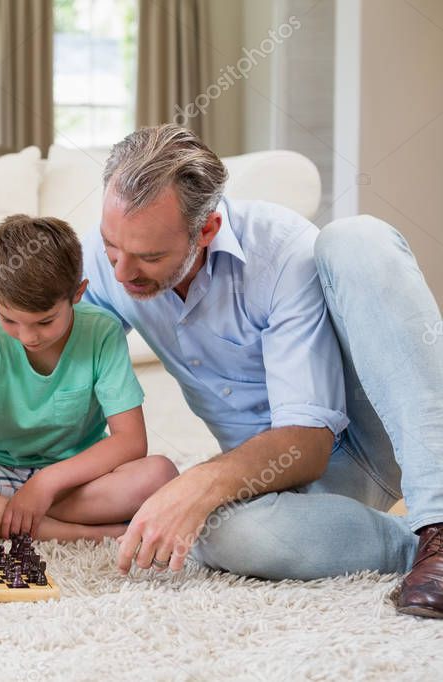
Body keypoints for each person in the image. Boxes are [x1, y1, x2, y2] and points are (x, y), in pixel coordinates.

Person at [82, 124, 443, 618]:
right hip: (276, 480)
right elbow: (61, 368)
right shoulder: (114, 259)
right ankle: (409, 547)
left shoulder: (280, 252)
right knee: (214, 533)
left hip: (356, 438)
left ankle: (440, 525)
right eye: (111, 247)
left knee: (358, 237)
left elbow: (307, 445)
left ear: (206, 229)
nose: (122, 273)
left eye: (149, 257)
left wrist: (198, 481)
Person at [0, 214, 177, 557]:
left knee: (160, 474)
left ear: (78, 293)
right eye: (9, 320)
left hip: (72, 481)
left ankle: (19, 518)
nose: (28, 336)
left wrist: (44, 484)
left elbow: (131, 441)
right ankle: (80, 534)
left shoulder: (102, 332)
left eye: (45, 321)